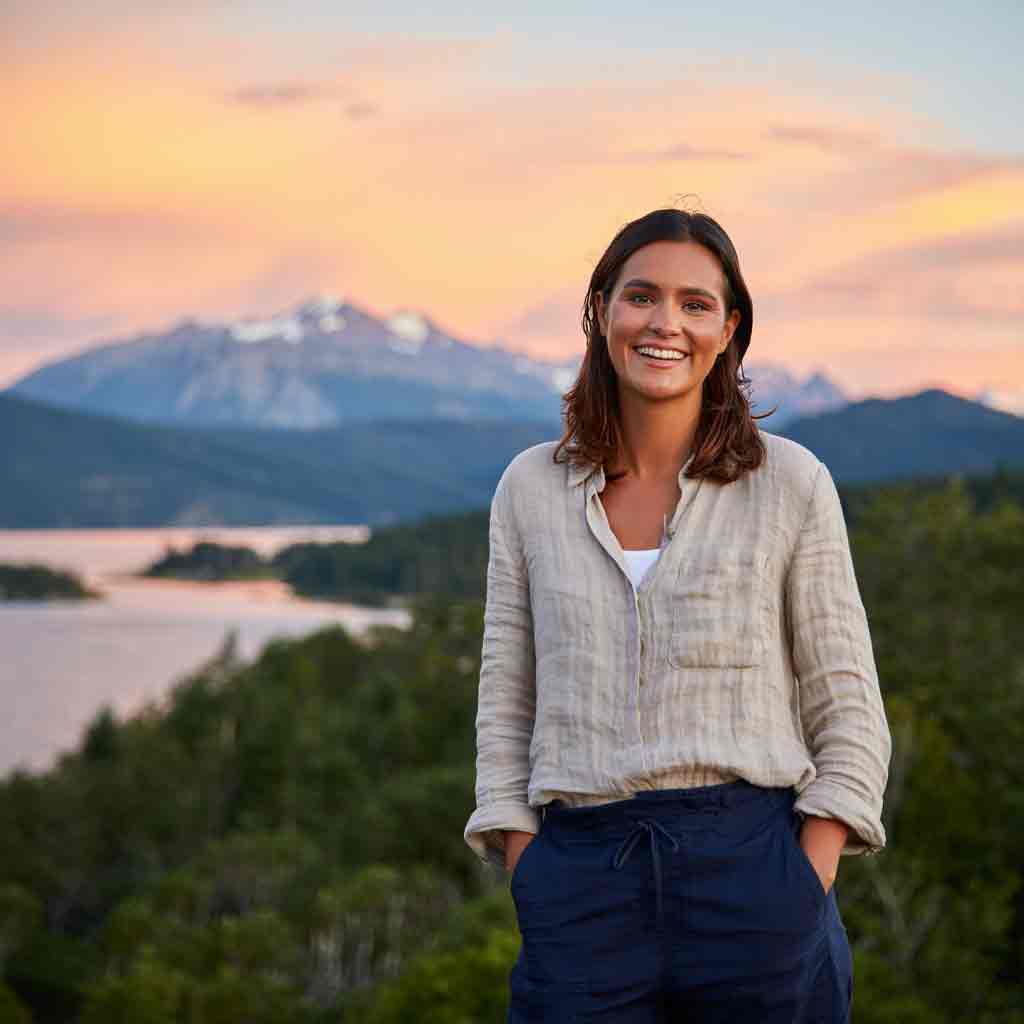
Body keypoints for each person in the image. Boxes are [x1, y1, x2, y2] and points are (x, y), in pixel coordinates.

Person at [463, 206, 892, 1022]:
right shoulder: (529, 487)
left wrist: (807, 872)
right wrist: (530, 864)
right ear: (600, 311)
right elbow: (505, 697)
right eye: (642, 296)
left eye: (696, 304)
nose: (666, 323)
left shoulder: (792, 484)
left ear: (729, 329)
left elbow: (848, 704)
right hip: (580, 882)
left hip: (754, 874)